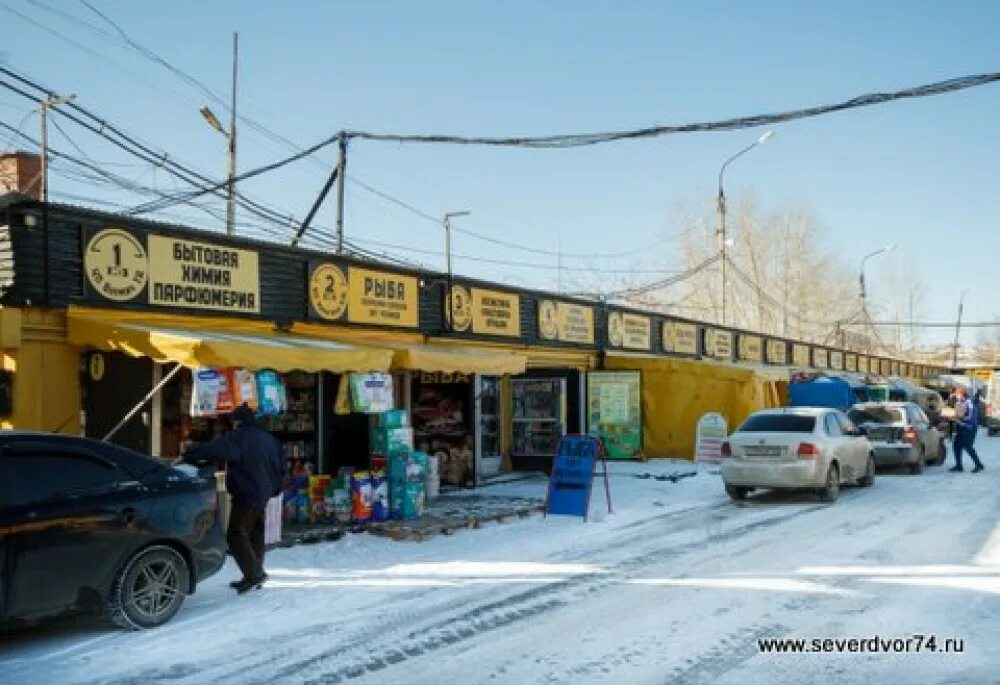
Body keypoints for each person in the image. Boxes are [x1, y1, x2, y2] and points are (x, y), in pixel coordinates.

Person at [181, 403, 285, 593]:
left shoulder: (240, 437)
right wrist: (274, 488)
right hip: (263, 493)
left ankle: (255, 574)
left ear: (238, 421)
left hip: (247, 492)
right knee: (254, 533)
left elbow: (215, 449)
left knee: (236, 534)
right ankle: (253, 574)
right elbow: (280, 466)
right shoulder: (269, 439)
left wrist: (190, 452)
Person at [950, 387, 985, 474]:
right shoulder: (958, 402)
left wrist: (959, 418)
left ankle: (979, 465)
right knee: (956, 446)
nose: (956, 396)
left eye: (957, 394)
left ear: (962, 394)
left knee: (968, 446)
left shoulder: (970, 403)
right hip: (961, 427)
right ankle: (959, 466)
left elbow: (971, 417)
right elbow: (957, 413)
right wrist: (952, 416)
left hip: (970, 427)